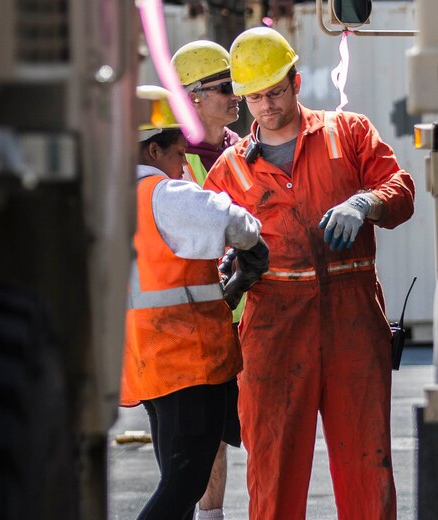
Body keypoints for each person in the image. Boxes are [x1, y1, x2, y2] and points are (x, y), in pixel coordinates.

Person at [203, 28, 416, 520]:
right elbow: (206, 250)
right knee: (274, 470)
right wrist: (225, 272)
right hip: (274, 327)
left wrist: (366, 202)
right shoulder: (231, 170)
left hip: (354, 319)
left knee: (368, 465)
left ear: (296, 82)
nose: (266, 106)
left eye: (275, 92)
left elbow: (399, 188)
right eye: (255, 97)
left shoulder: (350, 132)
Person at [120, 85, 269, 520]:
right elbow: (233, 219)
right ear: (154, 150)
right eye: (178, 153)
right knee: (184, 483)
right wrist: (252, 246)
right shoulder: (164, 195)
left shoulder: (111, 204)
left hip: (148, 363)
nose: (185, 164)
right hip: (188, 361)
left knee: (175, 479)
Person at [171, 39, 244, 520]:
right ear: (193, 97)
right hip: (190, 320)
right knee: (193, 442)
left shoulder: (244, 150)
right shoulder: (175, 161)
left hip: (241, 314)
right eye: (225, 87)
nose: (237, 95)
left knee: (228, 433)